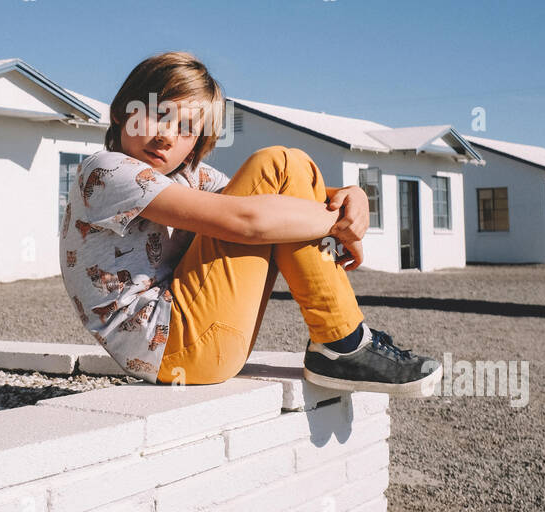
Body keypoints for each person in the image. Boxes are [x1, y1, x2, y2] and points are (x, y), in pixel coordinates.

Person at [60, 51, 442, 394]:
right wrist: (335, 223)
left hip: (203, 342)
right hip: (178, 344)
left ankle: (340, 343)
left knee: (288, 167)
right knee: (279, 162)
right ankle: (342, 343)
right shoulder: (106, 170)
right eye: (157, 114)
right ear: (121, 112)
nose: (165, 136)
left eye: (186, 128)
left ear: (198, 142)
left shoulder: (185, 176)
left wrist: (351, 197)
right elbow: (249, 222)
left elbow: (282, 198)